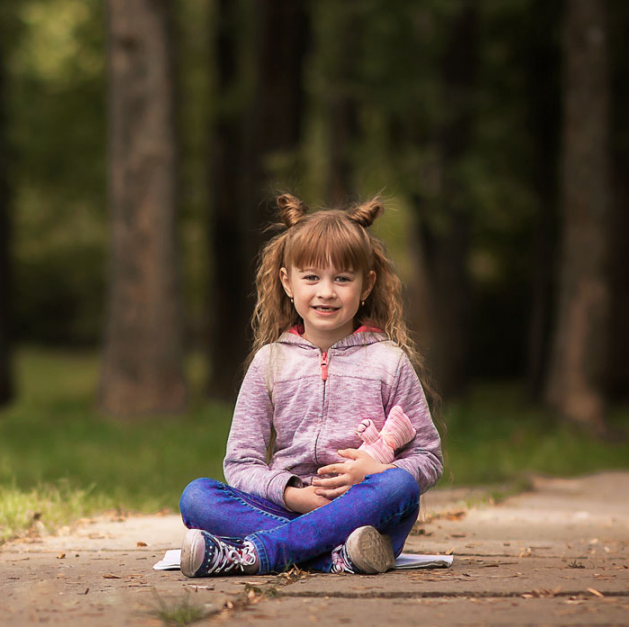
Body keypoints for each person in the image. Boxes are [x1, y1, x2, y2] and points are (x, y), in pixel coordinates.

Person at [180, 194, 443, 576]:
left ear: (367, 285)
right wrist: (294, 496)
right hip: (288, 506)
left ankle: (257, 552)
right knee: (197, 497)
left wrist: (373, 472)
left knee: (400, 488)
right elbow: (241, 463)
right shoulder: (270, 362)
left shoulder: (390, 362)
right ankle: (333, 559)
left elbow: (428, 458)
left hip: (360, 510)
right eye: (311, 277)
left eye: (342, 278)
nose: (326, 291)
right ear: (287, 282)